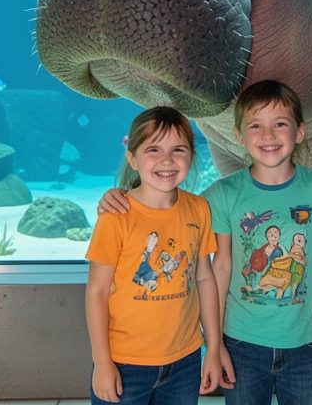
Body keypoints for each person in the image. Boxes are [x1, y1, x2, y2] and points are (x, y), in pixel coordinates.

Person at [97, 80, 312, 405]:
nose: (268, 135)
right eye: (256, 125)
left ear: (299, 131)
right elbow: (213, 258)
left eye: (280, 124)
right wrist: (118, 196)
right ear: (238, 136)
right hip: (241, 341)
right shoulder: (222, 195)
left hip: (308, 342)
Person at [85, 106, 226, 404]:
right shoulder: (115, 214)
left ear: (191, 155)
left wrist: (213, 347)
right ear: (132, 158)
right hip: (124, 362)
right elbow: (96, 291)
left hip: (185, 360)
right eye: (153, 149)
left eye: (178, 149)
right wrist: (102, 362)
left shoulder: (199, 209)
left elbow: (204, 278)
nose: (166, 160)